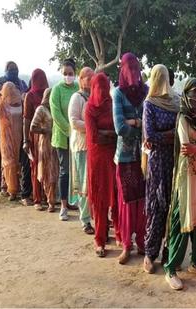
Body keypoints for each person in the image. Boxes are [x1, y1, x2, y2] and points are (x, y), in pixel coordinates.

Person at [163, 78, 196, 290]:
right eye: (193, 94)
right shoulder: (183, 118)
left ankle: (195, 262)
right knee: (182, 220)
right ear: (186, 95)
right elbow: (185, 146)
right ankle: (171, 268)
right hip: (185, 176)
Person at [142, 64, 180, 274]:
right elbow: (150, 136)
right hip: (157, 163)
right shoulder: (149, 103)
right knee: (157, 207)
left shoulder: (176, 102)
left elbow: (183, 131)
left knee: (173, 206)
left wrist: (165, 135)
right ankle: (150, 252)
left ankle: (169, 251)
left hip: (175, 160)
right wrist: (171, 134)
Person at [112, 52, 148, 264]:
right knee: (126, 201)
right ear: (122, 70)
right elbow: (119, 127)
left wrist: (134, 122)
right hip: (125, 157)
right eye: (129, 68)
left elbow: (148, 123)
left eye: (136, 67)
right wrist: (137, 124)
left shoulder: (146, 91)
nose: (133, 72)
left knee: (142, 199)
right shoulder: (117, 93)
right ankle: (126, 244)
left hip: (143, 155)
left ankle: (142, 241)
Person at [85, 72, 119, 258]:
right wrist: (110, 134)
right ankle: (99, 239)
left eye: (105, 87)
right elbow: (93, 136)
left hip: (113, 157)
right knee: (99, 200)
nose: (102, 92)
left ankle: (115, 233)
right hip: (97, 160)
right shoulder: (89, 108)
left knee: (114, 196)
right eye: (99, 87)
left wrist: (107, 133)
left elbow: (118, 129)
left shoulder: (113, 105)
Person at [50, 59, 80, 221]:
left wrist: (78, 131)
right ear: (62, 74)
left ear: (75, 74)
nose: (68, 76)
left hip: (78, 138)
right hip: (62, 137)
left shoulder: (78, 88)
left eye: (71, 74)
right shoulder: (56, 90)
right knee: (65, 171)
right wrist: (71, 130)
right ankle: (63, 206)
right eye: (65, 74)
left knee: (76, 171)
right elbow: (56, 114)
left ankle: (73, 201)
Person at [68, 67, 95, 233]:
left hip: (96, 146)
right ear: (81, 79)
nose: (90, 80)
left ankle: (97, 216)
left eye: (93, 77)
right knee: (84, 184)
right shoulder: (76, 97)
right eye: (88, 77)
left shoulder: (95, 96)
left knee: (94, 183)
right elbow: (73, 122)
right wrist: (93, 128)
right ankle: (85, 219)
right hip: (82, 145)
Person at [23, 69, 49, 210]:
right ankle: (37, 199)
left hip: (48, 136)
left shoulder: (48, 94)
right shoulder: (30, 96)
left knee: (47, 166)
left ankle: (47, 197)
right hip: (35, 136)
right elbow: (26, 120)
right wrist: (26, 141)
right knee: (35, 167)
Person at [30, 88, 59, 212]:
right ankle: (50, 201)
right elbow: (32, 127)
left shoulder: (55, 108)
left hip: (57, 143)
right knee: (48, 172)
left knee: (56, 171)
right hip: (46, 143)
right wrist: (45, 131)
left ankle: (54, 199)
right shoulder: (41, 109)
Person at [0, 82, 24, 201]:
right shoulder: (3, 104)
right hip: (7, 139)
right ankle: (12, 190)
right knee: (9, 163)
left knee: (15, 163)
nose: (12, 90)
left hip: (17, 138)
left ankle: (14, 188)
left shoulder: (20, 102)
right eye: (9, 88)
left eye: (13, 88)